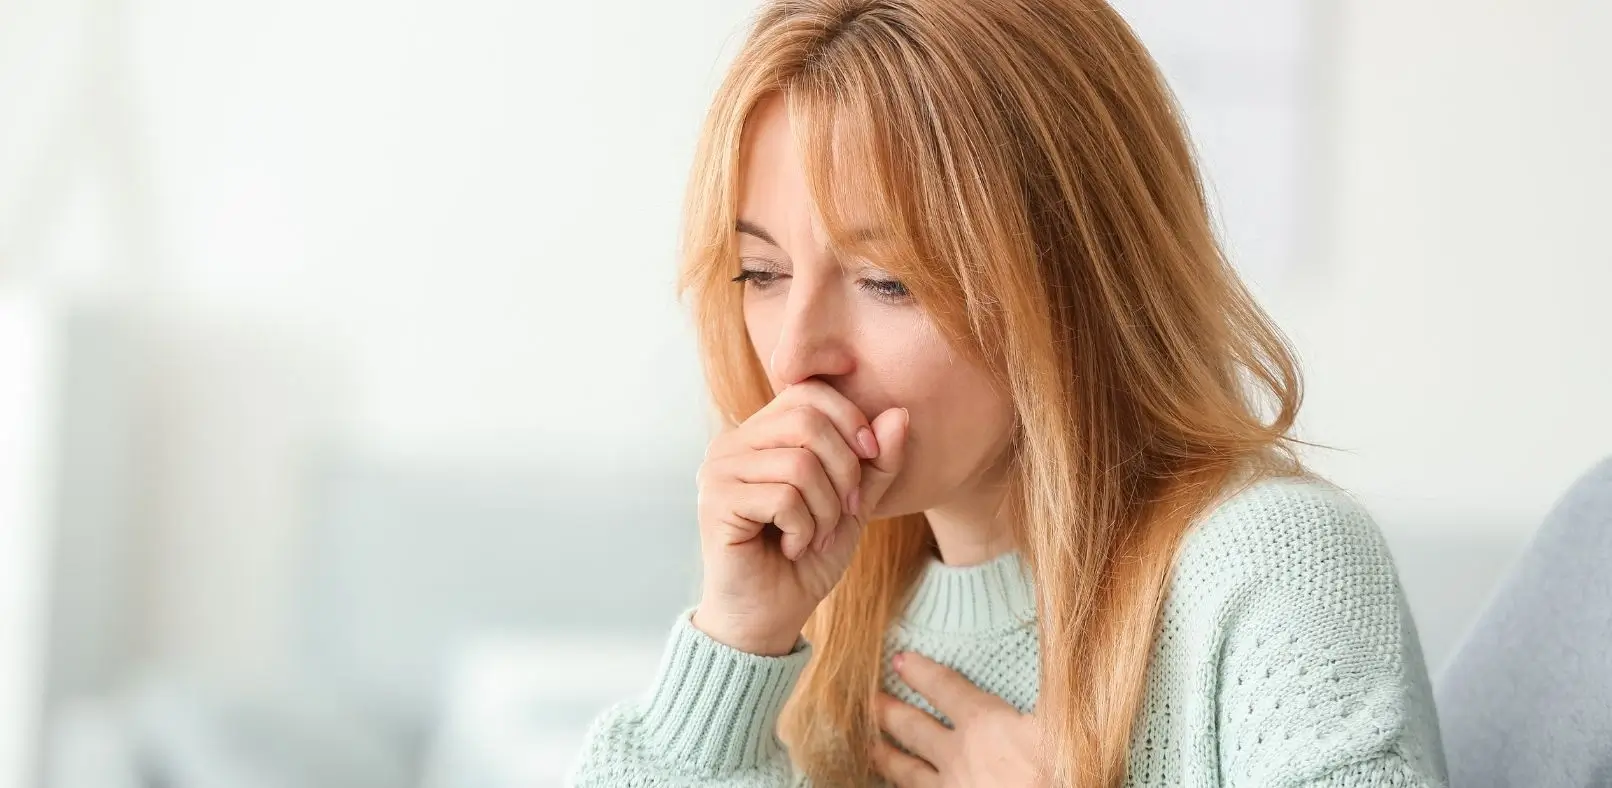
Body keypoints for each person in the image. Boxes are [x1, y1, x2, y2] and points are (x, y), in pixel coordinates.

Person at [570, 0, 1448, 785]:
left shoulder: (1272, 567)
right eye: (762, 271)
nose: (796, 354)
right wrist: (734, 641)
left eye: (887, 282)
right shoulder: (827, 612)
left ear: (1073, 283)